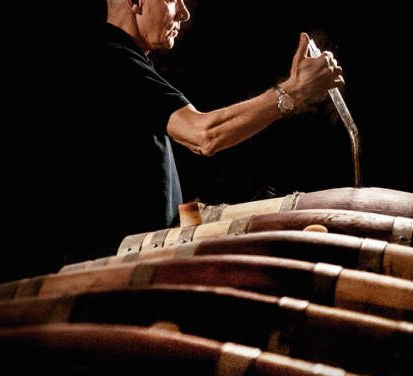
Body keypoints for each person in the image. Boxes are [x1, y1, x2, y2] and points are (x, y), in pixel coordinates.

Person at [89, 0, 343, 256]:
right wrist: (294, 91)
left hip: (151, 244)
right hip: (119, 266)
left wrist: (219, 218)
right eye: (172, 0)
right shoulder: (111, 59)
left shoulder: (128, 60)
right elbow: (203, 135)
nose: (183, 13)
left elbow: (145, 194)